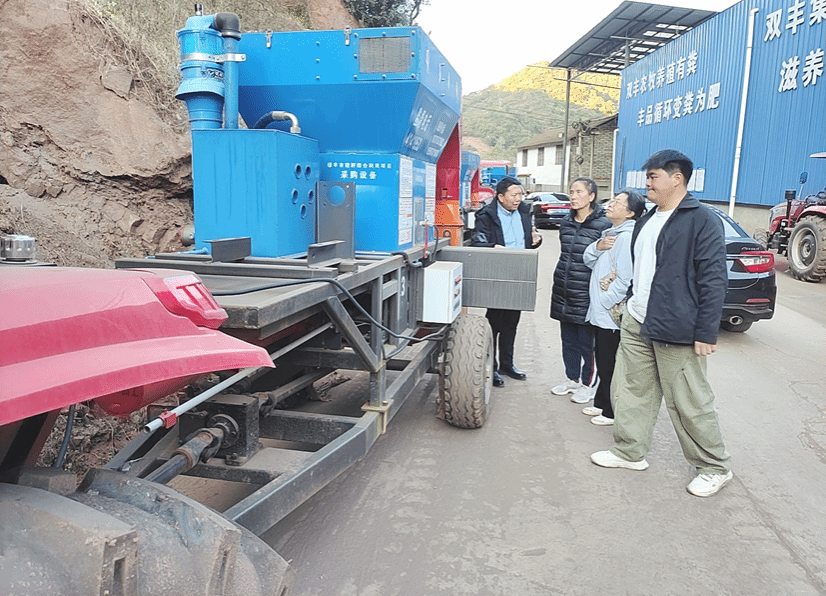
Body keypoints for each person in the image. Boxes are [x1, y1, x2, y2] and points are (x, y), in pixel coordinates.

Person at [590, 149, 733, 498]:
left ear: (677, 178)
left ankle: (714, 467)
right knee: (632, 390)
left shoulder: (702, 220)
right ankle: (630, 452)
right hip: (637, 321)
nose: (648, 184)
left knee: (688, 401)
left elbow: (714, 279)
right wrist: (628, 304)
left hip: (677, 327)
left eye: (653, 177)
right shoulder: (648, 219)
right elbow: (642, 270)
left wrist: (706, 331)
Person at [581, 189, 647, 426]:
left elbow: (626, 279)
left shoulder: (625, 238)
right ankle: (601, 402)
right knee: (603, 358)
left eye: (617, 202)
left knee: (610, 362)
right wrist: (597, 246)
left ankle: (610, 411)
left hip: (611, 312)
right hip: (602, 311)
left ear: (630, 213)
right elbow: (588, 260)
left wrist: (605, 302)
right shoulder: (611, 234)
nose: (610, 204)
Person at [471, 176, 542, 387]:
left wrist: (536, 240)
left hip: (519, 273)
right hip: (498, 272)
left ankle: (507, 364)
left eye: (520, 194)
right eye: (514, 195)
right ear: (501, 197)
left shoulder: (524, 212)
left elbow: (528, 240)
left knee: (512, 321)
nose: (518, 198)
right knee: (494, 322)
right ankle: (490, 366)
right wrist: (494, 247)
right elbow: (478, 242)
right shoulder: (486, 215)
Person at [550, 177, 611, 403]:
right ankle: (572, 379)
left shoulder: (604, 225)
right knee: (568, 341)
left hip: (587, 291)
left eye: (579, 192)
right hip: (564, 288)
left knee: (588, 344)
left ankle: (588, 384)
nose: (573, 197)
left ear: (592, 196)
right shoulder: (566, 222)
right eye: (571, 192)